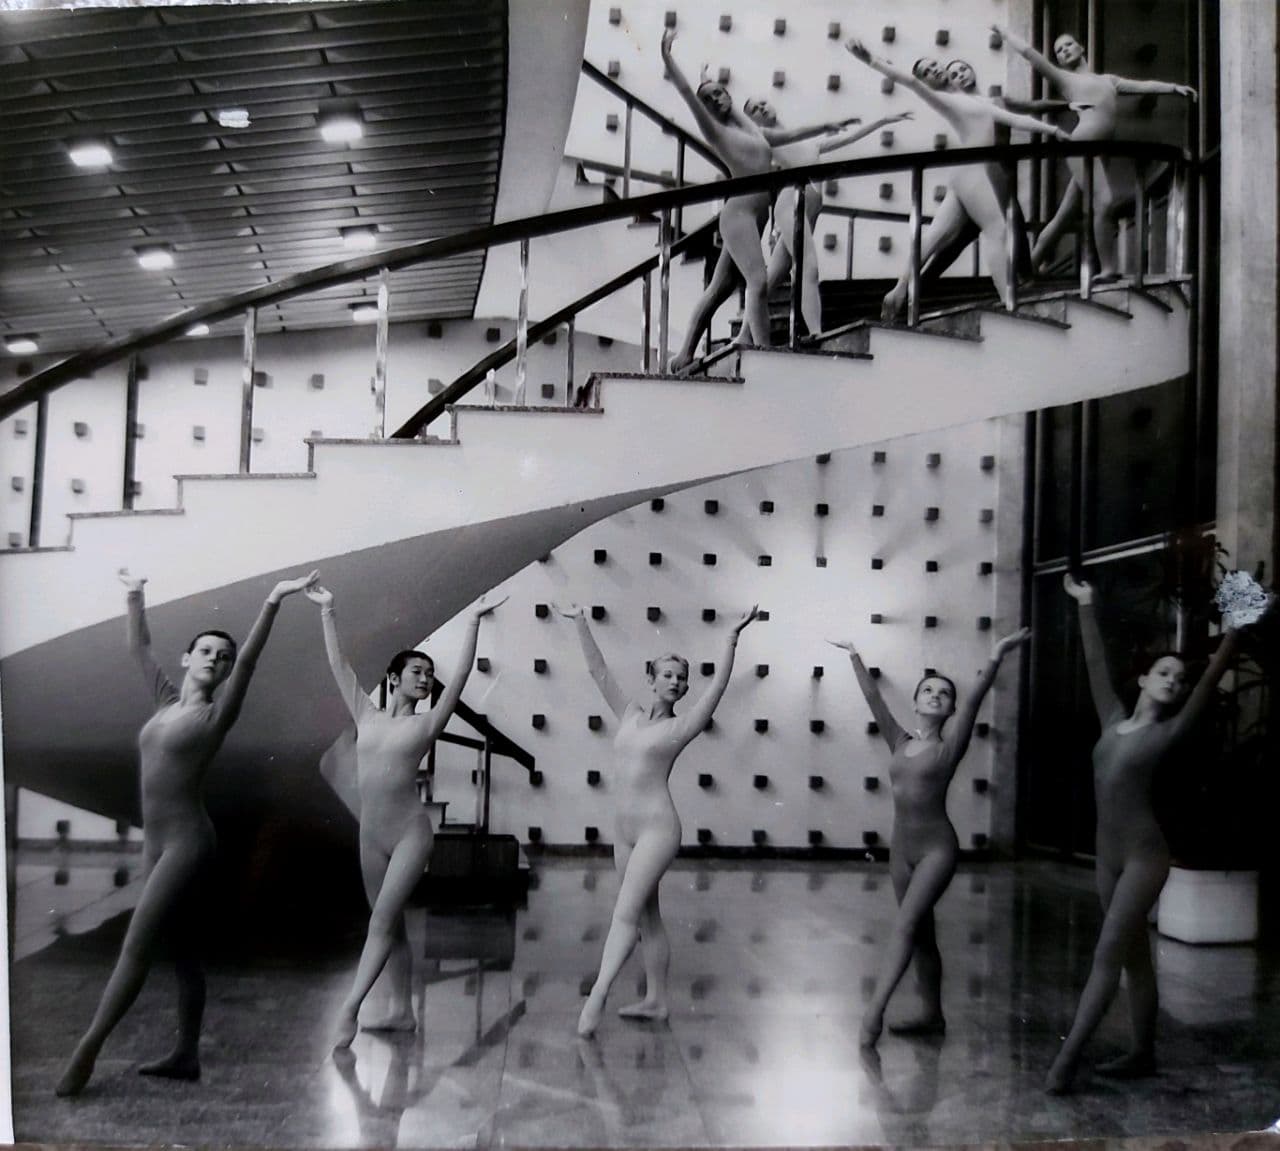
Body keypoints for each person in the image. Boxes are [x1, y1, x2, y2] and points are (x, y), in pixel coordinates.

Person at [56, 567, 317, 1096]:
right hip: (159, 844)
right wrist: (134, 594)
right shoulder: (165, 701)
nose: (217, 661)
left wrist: (271, 601)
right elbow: (140, 647)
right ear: (187, 658)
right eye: (207, 653)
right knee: (184, 952)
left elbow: (249, 661)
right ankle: (186, 1055)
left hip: (187, 843)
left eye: (222, 657)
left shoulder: (214, 717)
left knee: (136, 946)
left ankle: (87, 1049)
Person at [1045, 573, 1251, 1093]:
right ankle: (1142, 1052)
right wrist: (1086, 604)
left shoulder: (1169, 732)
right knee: (1135, 958)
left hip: (1144, 858)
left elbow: (1211, 679)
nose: (1173, 681)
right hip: (1106, 857)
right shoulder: (1112, 719)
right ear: (1142, 680)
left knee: (1107, 956)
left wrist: (1239, 625)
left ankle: (1065, 1063)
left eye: (1178, 679)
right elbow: (1095, 665)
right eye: (1163, 672)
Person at [305, 582, 505, 1049]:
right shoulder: (366, 716)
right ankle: (402, 1013)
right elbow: (339, 666)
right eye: (417, 671)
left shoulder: (427, 723)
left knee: (380, 924)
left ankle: (349, 1010)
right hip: (370, 837)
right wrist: (329, 611)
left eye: (428, 673)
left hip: (411, 835)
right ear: (394, 677)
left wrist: (473, 624)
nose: (425, 678)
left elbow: (456, 684)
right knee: (389, 924)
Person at [559, 602, 758, 1036]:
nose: (676, 682)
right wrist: (580, 622)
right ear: (650, 680)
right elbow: (599, 673)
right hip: (623, 832)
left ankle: (596, 999)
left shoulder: (681, 727)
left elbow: (717, 690)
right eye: (667, 674)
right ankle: (656, 1001)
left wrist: (730, 641)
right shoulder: (629, 715)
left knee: (625, 915)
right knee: (647, 917)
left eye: (682, 677)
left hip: (657, 830)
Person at [830, 626, 1031, 1047]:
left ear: (951, 706)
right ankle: (932, 1016)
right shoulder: (899, 740)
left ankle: (873, 1015)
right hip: (899, 852)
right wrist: (853, 654)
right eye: (928, 690)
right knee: (923, 935)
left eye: (945, 693)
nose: (936, 696)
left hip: (937, 849)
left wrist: (995, 656)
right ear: (917, 700)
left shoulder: (949, 745)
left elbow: (977, 697)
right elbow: (874, 700)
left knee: (904, 926)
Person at [670, 102, 915, 368]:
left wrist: (882, 121)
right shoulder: (763, 141)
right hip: (792, 201)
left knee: (771, 278)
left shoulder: (804, 143)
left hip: (808, 204)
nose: (762, 107)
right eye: (754, 108)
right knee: (807, 267)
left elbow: (847, 138)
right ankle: (815, 333)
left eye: (763, 102)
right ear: (749, 119)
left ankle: (743, 334)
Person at [845, 39, 1072, 320]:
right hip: (972, 171)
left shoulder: (975, 100)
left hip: (967, 174)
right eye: (928, 70)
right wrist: (870, 59)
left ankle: (898, 291)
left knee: (934, 238)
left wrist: (1052, 129)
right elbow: (907, 81)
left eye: (935, 65)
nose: (935, 69)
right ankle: (1008, 300)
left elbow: (1013, 119)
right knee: (996, 229)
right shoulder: (942, 98)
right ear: (927, 81)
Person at [993, 25, 1196, 280]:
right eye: (1058, 51)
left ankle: (1027, 269)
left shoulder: (1108, 81)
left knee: (1063, 217)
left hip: (1099, 152)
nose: (1063, 51)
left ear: (1081, 47)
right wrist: (1005, 33)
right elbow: (1031, 54)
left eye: (1067, 45)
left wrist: (1173, 88)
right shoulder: (1066, 80)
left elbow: (1142, 86)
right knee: (1104, 202)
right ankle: (1108, 268)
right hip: (1081, 146)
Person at [660, 28, 776, 359]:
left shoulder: (749, 128)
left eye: (718, 94)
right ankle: (767, 354)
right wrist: (668, 59)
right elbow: (687, 93)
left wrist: (707, 79)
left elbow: (731, 104)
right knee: (759, 281)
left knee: (719, 289)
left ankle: (684, 354)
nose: (715, 100)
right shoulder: (717, 133)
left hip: (756, 215)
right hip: (739, 216)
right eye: (707, 100)